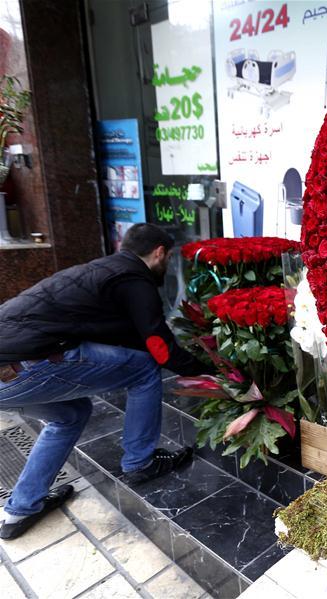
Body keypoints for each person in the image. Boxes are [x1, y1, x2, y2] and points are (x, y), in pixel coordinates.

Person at [0, 223, 212, 539]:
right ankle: (140, 462)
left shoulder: (101, 271)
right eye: (168, 259)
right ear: (159, 253)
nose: (167, 265)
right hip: (22, 364)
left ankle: (20, 510)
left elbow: (124, 332)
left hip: (10, 368)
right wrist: (210, 371)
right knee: (145, 369)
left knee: (70, 416)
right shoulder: (134, 278)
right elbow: (160, 349)